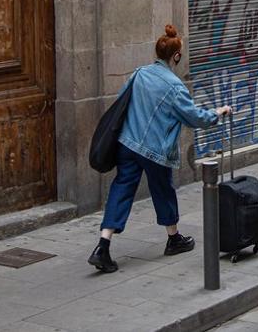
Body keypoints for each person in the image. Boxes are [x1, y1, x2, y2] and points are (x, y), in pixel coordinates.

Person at [88, 24, 233, 273]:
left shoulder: (139, 74)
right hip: (154, 150)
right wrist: (218, 112)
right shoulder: (175, 87)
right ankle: (174, 238)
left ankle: (103, 244)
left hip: (128, 144)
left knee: (121, 189)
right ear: (176, 56)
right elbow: (195, 118)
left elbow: (123, 102)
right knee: (163, 190)